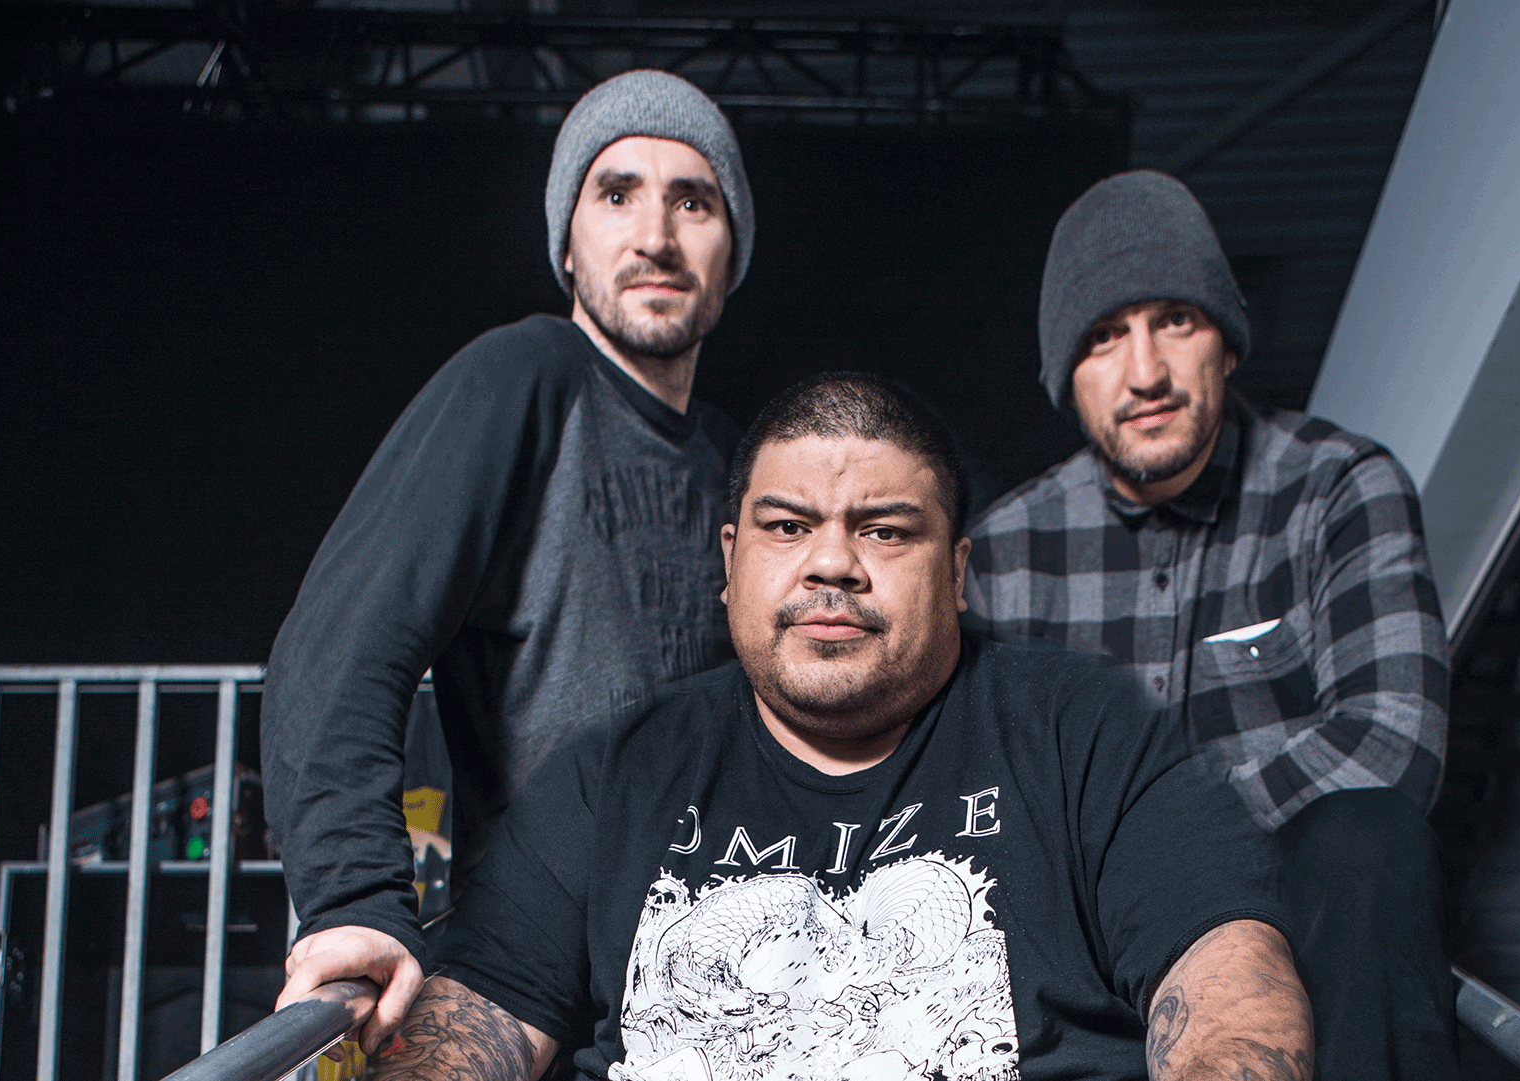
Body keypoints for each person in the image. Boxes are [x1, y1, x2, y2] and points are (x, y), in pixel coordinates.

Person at [367, 372, 1314, 1081]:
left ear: (957, 571)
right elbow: (473, 1018)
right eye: (787, 526)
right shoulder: (608, 776)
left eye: (885, 531)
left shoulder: (1088, 733)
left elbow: (1229, 983)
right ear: (730, 560)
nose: (832, 563)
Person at [259, 68, 754, 1050]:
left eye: (692, 201)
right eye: (616, 195)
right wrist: (357, 896)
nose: (655, 236)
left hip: (716, 981)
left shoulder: (733, 461)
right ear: (567, 244)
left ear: (730, 249)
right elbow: (339, 648)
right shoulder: (525, 376)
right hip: (541, 980)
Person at [962, 170, 1456, 1081]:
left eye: (1176, 321)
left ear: (1226, 344)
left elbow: (1393, 740)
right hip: (1095, 959)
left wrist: (1166, 840)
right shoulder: (1000, 553)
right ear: (1066, 378)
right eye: (1104, 337)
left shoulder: (1337, 489)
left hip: (1305, 940)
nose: (1145, 372)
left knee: (1368, 836)